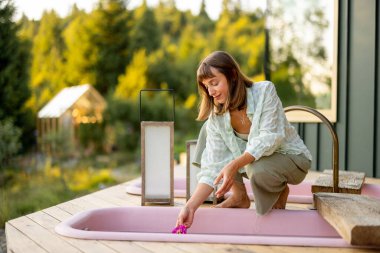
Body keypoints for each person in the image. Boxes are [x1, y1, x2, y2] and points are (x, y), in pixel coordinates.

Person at [176, 51, 312, 229]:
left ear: (232, 75)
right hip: (254, 163)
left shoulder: (264, 91)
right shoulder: (217, 117)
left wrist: (233, 165)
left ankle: (279, 189)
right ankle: (240, 196)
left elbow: (270, 138)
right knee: (207, 132)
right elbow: (212, 168)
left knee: (256, 167)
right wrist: (190, 206)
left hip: (293, 159)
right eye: (206, 86)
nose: (211, 92)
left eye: (214, 83)